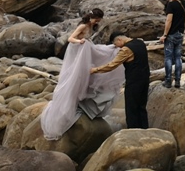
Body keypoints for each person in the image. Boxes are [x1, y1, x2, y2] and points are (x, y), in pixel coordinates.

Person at [40, 9, 124, 140]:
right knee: (76, 77)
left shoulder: (91, 26)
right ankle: (73, 102)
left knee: (105, 54)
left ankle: (86, 102)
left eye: (99, 20)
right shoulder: (83, 26)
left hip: (87, 49)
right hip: (79, 51)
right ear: (92, 17)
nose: (98, 21)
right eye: (97, 19)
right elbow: (70, 38)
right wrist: (80, 42)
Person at [91, 32, 151, 129]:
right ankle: (145, 129)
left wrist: (95, 70)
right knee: (141, 107)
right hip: (145, 79)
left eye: (115, 44)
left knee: (131, 108)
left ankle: (133, 131)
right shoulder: (140, 43)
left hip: (134, 81)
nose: (116, 47)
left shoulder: (126, 50)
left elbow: (111, 65)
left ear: (119, 40)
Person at [158, 0, 185, 88]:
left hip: (171, 34)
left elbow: (169, 20)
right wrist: (181, 30)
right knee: (178, 58)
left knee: (168, 58)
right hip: (180, 34)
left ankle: (167, 81)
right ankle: (177, 81)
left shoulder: (171, 4)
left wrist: (165, 35)